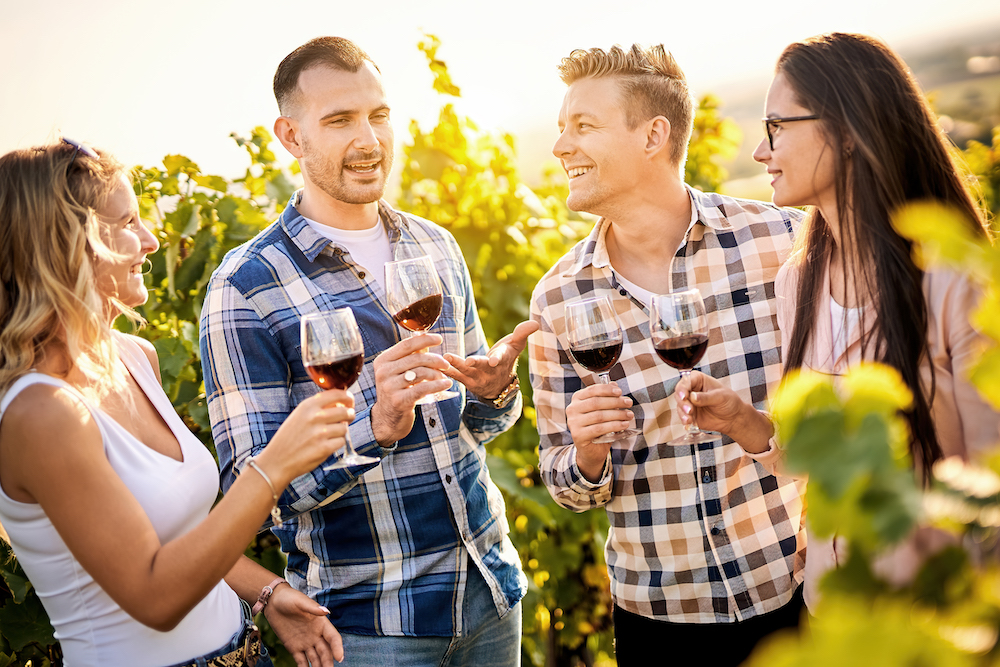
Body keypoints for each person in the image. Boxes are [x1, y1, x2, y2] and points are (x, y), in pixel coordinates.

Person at [199, 36, 532, 666]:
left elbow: (471, 427)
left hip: (491, 596)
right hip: (368, 627)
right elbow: (255, 489)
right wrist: (372, 424)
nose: (369, 139)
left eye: (378, 115)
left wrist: (493, 394)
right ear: (291, 137)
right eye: (340, 120)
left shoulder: (434, 247)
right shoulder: (246, 288)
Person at [676, 32, 999, 611]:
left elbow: (992, 489)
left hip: (936, 624)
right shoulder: (798, 283)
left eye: (778, 126)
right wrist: (745, 423)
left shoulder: (954, 280)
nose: (760, 151)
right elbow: (819, 461)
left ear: (848, 131)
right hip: (832, 616)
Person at [0, 139, 350, 667]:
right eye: (127, 223)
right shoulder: (41, 412)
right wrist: (274, 466)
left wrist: (266, 592)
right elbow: (154, 597)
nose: (152, 239)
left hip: (245, 653)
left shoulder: (135, 358)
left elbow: (179, 531)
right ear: (66, 245)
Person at [528, 44, 807, 666]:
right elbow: (565, 484)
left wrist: (754, 428)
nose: (561, 147)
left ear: (654, 135)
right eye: (560, 128)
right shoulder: (557, 297)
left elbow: (843, 411)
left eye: (583, 126)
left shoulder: (779, 242)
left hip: (796, 592)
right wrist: (589, 452)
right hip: (658, 623)